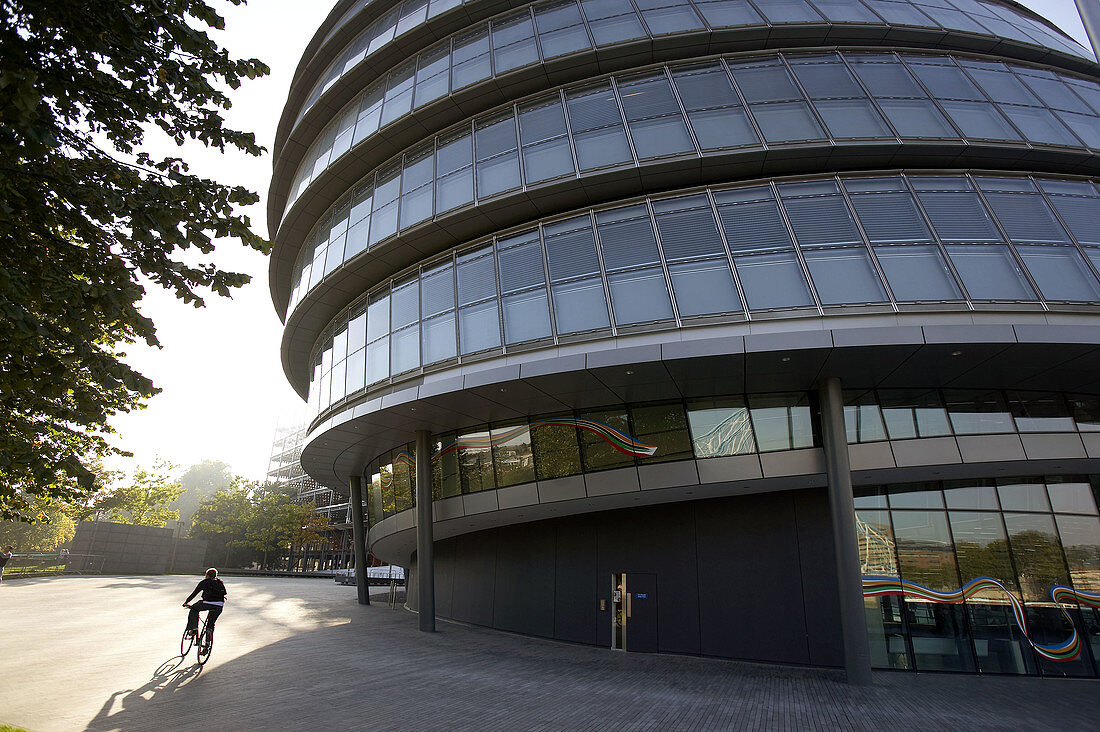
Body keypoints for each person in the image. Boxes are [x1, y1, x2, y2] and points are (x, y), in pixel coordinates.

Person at [183, 567, 228, 638]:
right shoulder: (220, 582)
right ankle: (207, 643)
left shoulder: (205, 582)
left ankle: (194, 628)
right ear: (215, 575)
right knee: (211, 623)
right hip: (219, 605)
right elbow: (225, 593)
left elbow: (194, 593)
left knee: (194, 609)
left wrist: (186, 601)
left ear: (207, 575)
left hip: (206, 603)